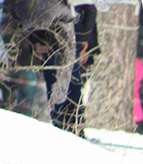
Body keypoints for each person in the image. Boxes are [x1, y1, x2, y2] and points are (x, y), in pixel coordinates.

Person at [33, 2, 98, 135]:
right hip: (53, 38)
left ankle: (71, 131)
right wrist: (36, 40)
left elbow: (90, 9)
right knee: (62, 86)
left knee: (66, 86)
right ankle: (67, 131)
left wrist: (84, 40)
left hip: (62, 37)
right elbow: (32, 8)